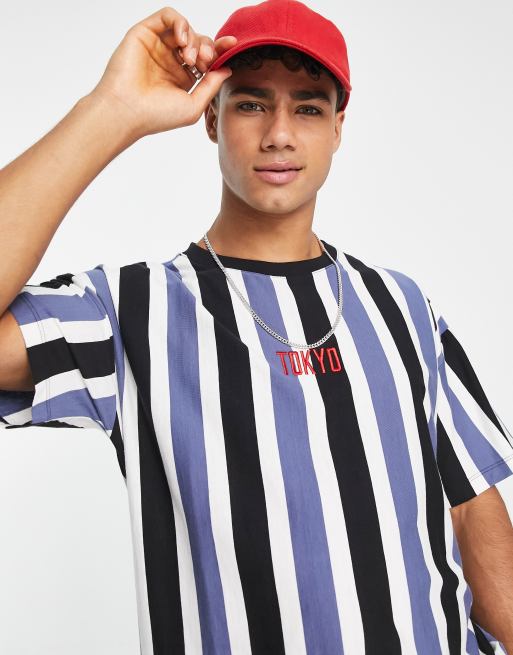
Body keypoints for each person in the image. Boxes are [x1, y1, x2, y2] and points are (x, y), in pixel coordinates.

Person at [0, 2, 512, 653]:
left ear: (337, 127)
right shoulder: (131, 309)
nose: (279, 134)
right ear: (210, 117)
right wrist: (110, 110)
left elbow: (469, 505)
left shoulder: (404, 306)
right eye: (250, 104)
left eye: (307, 108)